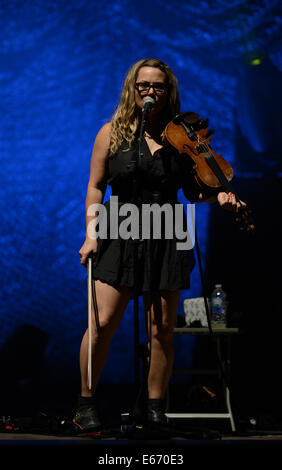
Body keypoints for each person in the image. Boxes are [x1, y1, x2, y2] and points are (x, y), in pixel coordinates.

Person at [73, 58, 242, 432]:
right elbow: (96, 185)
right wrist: (91, 231)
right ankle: (85, 403)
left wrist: (220, 198)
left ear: (169, 93)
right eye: (144, 85)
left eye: (159, 87)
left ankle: (153, 408)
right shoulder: (111, 133)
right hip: (120, 228)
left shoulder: (180, 138)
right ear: (133, 89)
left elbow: (196, 190)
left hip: (165, 231)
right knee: (101, 322)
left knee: (161, 329)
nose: (151, 92)